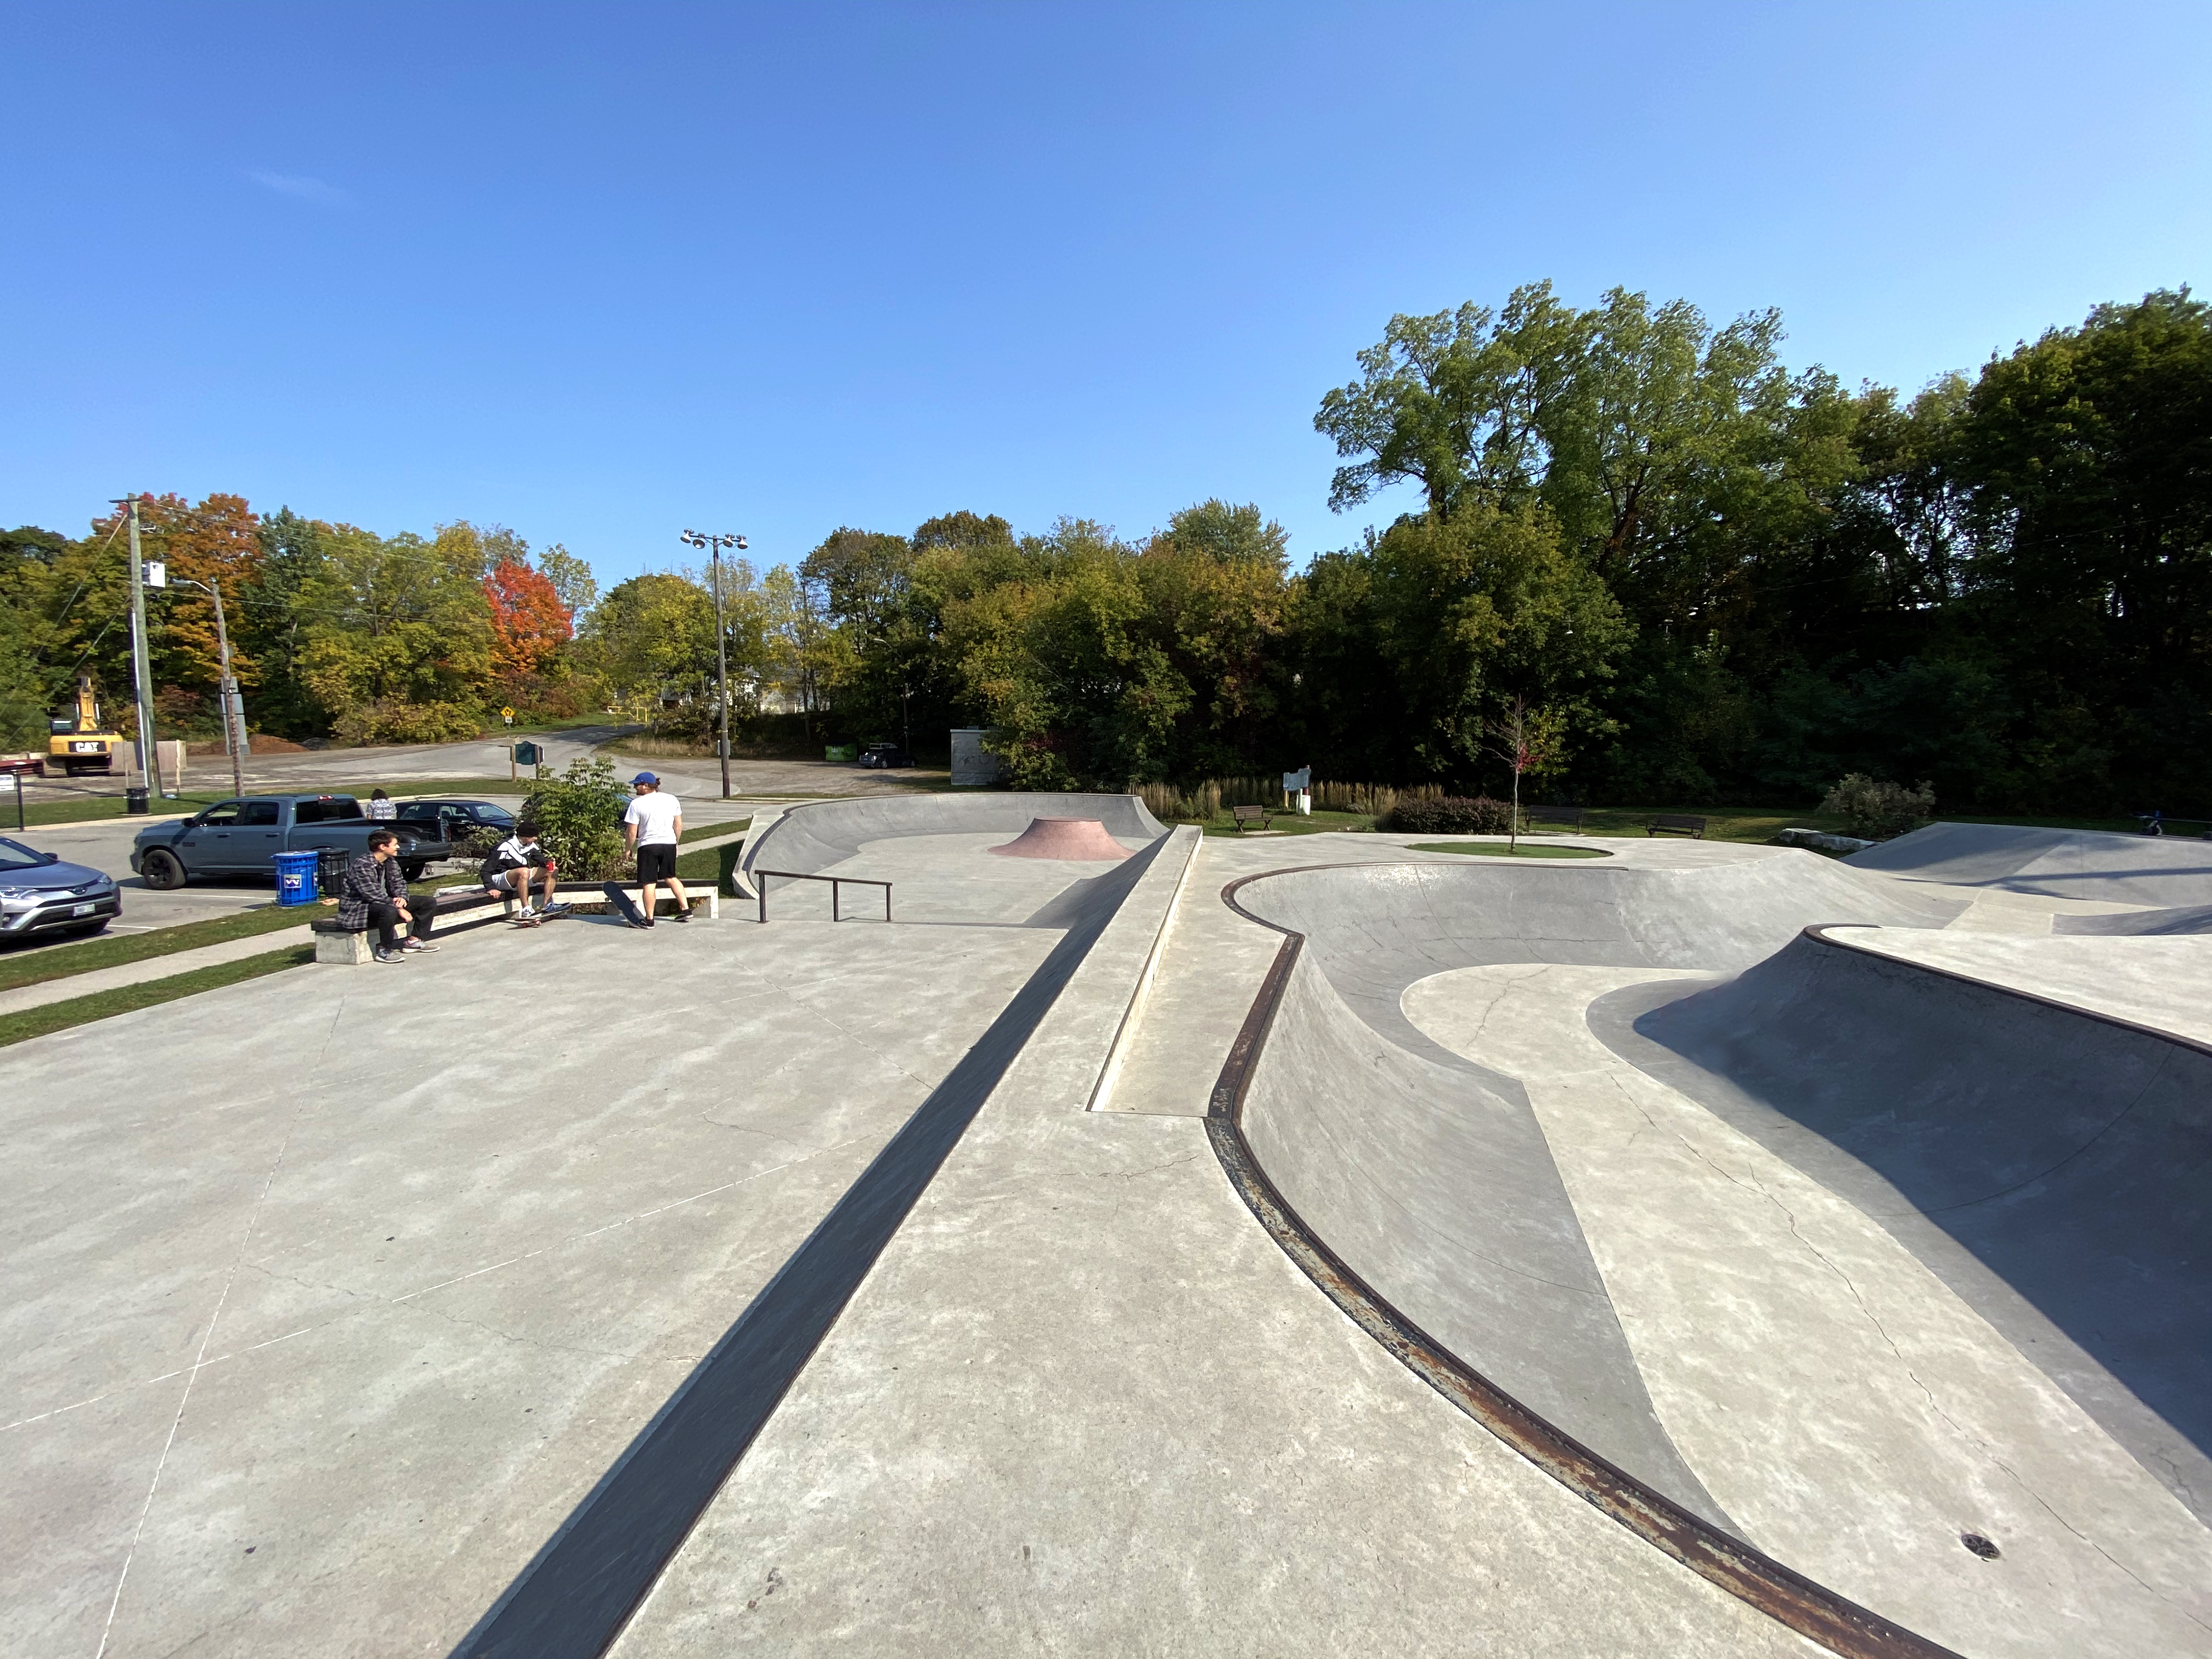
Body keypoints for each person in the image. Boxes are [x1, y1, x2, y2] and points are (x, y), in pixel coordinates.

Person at [340, 829, 437, 961]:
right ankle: (384, 950)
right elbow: (371, 894)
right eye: (395, 844)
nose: (398, 847)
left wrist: (402, 898)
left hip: (386, 902)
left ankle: (414, 942)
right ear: (382, 847)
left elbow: (399, 883)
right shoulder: (362, 865)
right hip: (360, 907)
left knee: (428, 902)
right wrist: (398, 908)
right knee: (389, 911)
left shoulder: (390, 861)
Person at [622, 771, 689, 927]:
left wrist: (628, 849)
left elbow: (631, 832)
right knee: (671, 877)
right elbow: (678, 825)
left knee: (649, 883)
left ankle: (650, 920)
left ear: (646, 786)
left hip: (648, 846)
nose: (635, 787)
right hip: (669, 844)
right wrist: (676, 843)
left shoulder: (637, 804)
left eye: (637, 785)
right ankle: (686, 910)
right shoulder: (671, 799)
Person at [481, 822, 563, 918]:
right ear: (527, 837)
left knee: (553, 870)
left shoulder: (530, 845)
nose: (536, 838)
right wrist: (491, 888)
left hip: (521, 876)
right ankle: (526, 909)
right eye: (534, 836)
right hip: (500, 878)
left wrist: (548, 862)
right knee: (524, 871)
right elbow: (485, 870)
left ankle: (548, 905)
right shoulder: (505, 846)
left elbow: (540, 859)